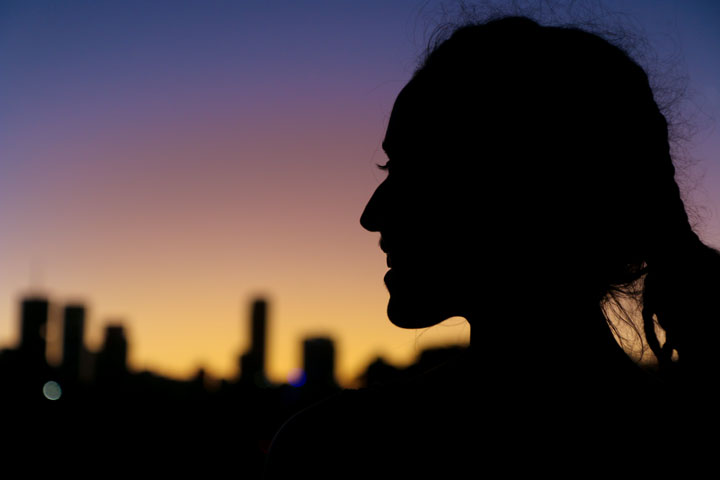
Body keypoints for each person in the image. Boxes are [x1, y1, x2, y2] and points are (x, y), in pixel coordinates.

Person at [266, 16, 718, 478]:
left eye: (415, 172)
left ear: (518, 189)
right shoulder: (690, 442)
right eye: (388, 168)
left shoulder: (340, 451)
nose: (371, 216)